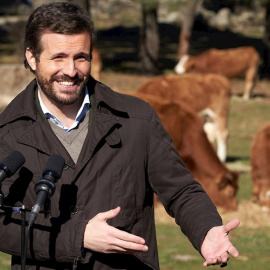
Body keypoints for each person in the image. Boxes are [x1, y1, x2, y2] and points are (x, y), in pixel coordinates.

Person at [0, 2, 240, 270]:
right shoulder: (7, 132)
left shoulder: (137, 119)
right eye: (58, 57)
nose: (70, 70)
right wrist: (78, 236)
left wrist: (206, 230)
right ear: (32, 57)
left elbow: (181, 189)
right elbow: (2, 225)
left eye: (81, 57)